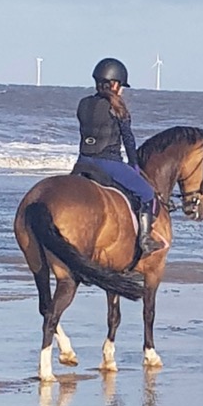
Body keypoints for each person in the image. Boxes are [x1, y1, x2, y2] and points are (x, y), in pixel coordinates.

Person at [75, 57, 164, 257]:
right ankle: (145, 240)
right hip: (108, 163)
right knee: (147, 193)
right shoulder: (117, 106)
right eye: (121, 85)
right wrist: (134, 165)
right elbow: (129, 140)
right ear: (114, 84)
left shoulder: (83, 104)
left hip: (82, 162)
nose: (122, 90)